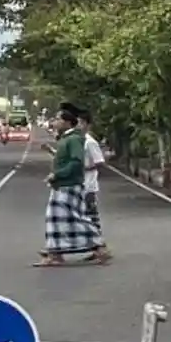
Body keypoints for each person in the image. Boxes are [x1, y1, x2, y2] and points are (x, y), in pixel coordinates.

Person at [34, 104, 110, 267]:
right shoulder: (68, 139)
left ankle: (97, 246)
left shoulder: (74, 139)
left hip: (69, 185)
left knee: (71, 218)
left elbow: (76, 162)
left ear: (68, 122)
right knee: (59, 219)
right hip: (62, 185)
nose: (55, 122)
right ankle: (56, 252)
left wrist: (57, 174)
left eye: (58, 119)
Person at [78, 109, 113, 262]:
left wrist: (84, 169)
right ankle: (95, 248)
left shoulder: (89, 142)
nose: (77, 125)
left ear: (86, 124)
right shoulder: (78, 141)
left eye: (79, 122)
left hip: (89, 185)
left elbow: (100, 163)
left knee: (91, 218)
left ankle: (102, 249)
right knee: (85, 218)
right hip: (80, 186)